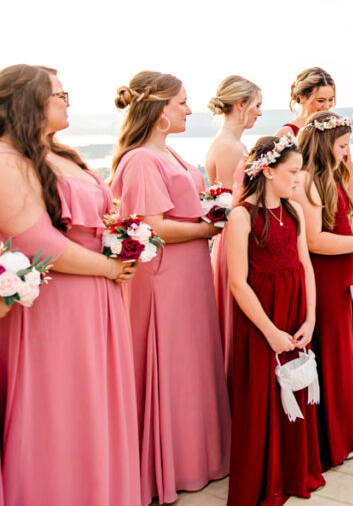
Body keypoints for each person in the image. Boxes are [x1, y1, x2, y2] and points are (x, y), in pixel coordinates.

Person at [0, 64, 141, 505]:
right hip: (58, 303)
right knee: (62, 410)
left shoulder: (56, 154)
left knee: (96, 407)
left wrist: (120, 243)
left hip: (94, 293)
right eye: (59, 94)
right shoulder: (8, 162)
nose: (66, 101)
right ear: (28, 102)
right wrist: (108, 268)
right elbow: (36, 240)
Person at [110, 71, 231, 504]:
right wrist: (208, 228)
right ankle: (171, 465)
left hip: (189, 273)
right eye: (182, 102)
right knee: (173, 365)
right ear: (160, 110)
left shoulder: (170, 154)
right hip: (165, 278)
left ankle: (200, 456)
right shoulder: (142, 160)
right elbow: (151, 226)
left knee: (194, 362)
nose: (189, 109)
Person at [224, 136, 325, 505]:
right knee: (264, 395)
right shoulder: (241, 216)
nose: (299, 179)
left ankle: (295, 469)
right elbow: (238, 282)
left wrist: (311, 318)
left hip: (296, 310)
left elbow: (305, 266)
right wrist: (270, 332)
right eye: (293, 172)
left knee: (298, 384)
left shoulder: (294, 211)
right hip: (262, 319)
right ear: (267, 171)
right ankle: (266, 478)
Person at [295, 111, 353, 468]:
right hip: (326, 276)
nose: (346, 153)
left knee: (343, 346)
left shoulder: (331, 175)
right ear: (325, 143)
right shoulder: (310, 179)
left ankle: (346, 422)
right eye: (342, 145)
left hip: (342, 274)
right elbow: (314, 239)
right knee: (332, 349)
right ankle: (333, 434)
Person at [205, 74, 262, 378]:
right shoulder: (229, 148)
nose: (259, 112)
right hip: (236, 235)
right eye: (256, 105)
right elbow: (229, 204)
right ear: (240, 105)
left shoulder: (234, 144)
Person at [276, 67, 336, 138]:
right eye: (320, 100)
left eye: (330, 100)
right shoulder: (287, 133)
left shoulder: (335, 128)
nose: (327, 106)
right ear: (302, 98)